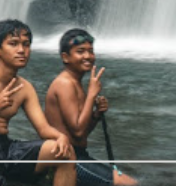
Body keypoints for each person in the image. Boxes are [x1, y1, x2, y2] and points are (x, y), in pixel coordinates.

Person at [0, 19, 76, 186]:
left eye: (26, 44)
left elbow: (43, 129)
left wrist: (60, 137)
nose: (21, 50)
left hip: (6, 147)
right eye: (13, 44)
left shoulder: (25, 87)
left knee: (65, 152)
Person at [46, 29, 137, 186]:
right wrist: (91, 95)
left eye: (90, 51)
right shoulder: (65, 83)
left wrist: (95, 115)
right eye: (80, 52)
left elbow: (81, 134)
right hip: (68, 158)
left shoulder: (75, 82)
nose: (88, 56)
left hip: (79, 154)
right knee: (129, 184)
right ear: (65, 57)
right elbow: (78, 130)